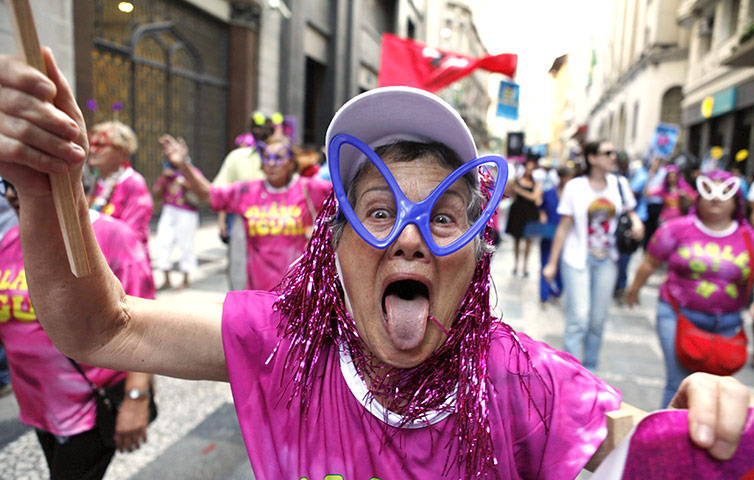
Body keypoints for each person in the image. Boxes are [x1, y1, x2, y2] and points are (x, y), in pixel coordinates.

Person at [0, 51, 751, 478]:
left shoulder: (520, 378)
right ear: (335, 239)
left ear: (477, 252)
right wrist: (44, 185)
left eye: (445, 216)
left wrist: (696, 433)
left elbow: (625, 444)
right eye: (382, 210)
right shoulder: (280, 341)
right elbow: (100, 328)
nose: (412, 238)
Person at [0, 177, 156, 479]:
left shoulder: (112, 236)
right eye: (7, 181)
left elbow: (143, 323)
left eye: (23, 179)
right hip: (38, 406)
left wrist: (137, 398)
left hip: (90, 407)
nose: (9, 193)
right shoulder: (9, 242)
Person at [625, 170, 754, 407]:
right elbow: (649, 263)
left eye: (725, 192)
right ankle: (667, 438)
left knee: (718, 390)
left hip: (727, 323)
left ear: (736, 201)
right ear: (698, 197)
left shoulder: (749, 238)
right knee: (679, 383)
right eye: (709, 191)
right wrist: (633, 290)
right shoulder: (675, 229)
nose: (716, 198)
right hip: (677, 315)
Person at [160, 133, 331, 291]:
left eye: (279, 158)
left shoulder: (308, 188)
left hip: (297, 293)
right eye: (266, 157)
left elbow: (346, 196)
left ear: (291, 162)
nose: (271, 163)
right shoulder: (248, 191)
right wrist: (184, 166)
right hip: (258, 293)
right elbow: (208, 194)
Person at [542, 141, 645, 371]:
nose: (613, 157)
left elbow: (629, 211)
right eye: (607, 153)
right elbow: (563, 227)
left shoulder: (619, 184)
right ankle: (569, 373)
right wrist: (551, 263)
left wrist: (637, 222)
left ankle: (590, 372)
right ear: (592, 158)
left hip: (608, 258)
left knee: (597, 321)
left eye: (614, 152)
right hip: (577, 257)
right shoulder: (575, 187)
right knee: (578, 318)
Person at [213, 111, 273, 290]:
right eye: (256, 126)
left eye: (265, 126)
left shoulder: (282, 157)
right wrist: (222, 221)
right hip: (242, 224)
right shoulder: (237, 158)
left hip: (278, 221)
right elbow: (222, 192)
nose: (260, 130)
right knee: (239, 271)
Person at [152, 140, 208, 290]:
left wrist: (186, 184)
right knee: (163, 242)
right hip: (168, 210)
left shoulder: (191, 172)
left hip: (187, 212)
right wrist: (164, 178)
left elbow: (204, 193)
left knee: (186, 244)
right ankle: (166, 278)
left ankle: (185, 279)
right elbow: (156, 193)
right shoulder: (167, 173)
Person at [87, 121, 154, 247]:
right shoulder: (96, 182)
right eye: (91, 144)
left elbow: (132, 236)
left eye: (100, 145)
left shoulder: (133, 183)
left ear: (122, 152)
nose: (92, 149)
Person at [537, 165, 574, 306]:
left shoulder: (572, 195)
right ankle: (544, 295)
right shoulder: (549, 192)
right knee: (546, 262)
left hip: (567, 235)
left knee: (562, 264)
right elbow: (541, 208)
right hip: (550, 232)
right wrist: (543, 216)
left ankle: (556, 291)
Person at [505, 154, 542, 276]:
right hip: (517, 212)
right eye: (528, 167)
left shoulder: (537, 183)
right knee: (516, 239)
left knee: (528, 240)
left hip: (530, 213)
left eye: (532, 168)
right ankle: (516, 263)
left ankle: (525, 265)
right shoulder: (517, 180)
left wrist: (519, 190)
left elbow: (534, 197)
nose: (529, 170)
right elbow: (509, 192)